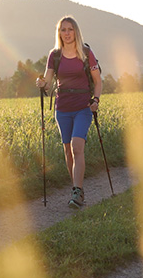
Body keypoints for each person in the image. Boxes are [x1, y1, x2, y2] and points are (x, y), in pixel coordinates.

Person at [36, 16, 102, 209]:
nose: (66, 33)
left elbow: (98, 81)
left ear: (76, 32)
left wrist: (96, 100)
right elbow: (47, 82)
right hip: (62, 108)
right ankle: (76, 187)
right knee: (68, 150)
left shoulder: (86, 53)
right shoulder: (54, 55)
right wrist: (41, 84)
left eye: (70, 29)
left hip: (83, 107)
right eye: (63, 30)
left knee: (76, 146)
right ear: (59, 33)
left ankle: (77, 192)